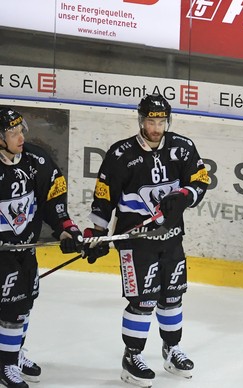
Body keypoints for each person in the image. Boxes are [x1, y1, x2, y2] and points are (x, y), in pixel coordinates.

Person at [83, 94, 210, 387]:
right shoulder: (120, 154)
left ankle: (171, 349)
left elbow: (200, 181)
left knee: (172, 296)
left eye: (161, 121)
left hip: (171, 238)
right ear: (141, 120)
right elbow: (103, 199)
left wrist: (184, 196)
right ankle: (132, 357)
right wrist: (97, 235)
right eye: (151, 121)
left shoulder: (182, 147)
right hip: (135, 242)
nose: (156, 128)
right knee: (143, 300)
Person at [0, 107, 83, 388]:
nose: (20, 136)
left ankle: (11, 353)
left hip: (25, 251)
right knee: (10, 310)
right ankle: (6, 363)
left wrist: (66, 229)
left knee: (23, 305)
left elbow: (54, 201)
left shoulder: (37, 159)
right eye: (12, 133)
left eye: (20, 130)